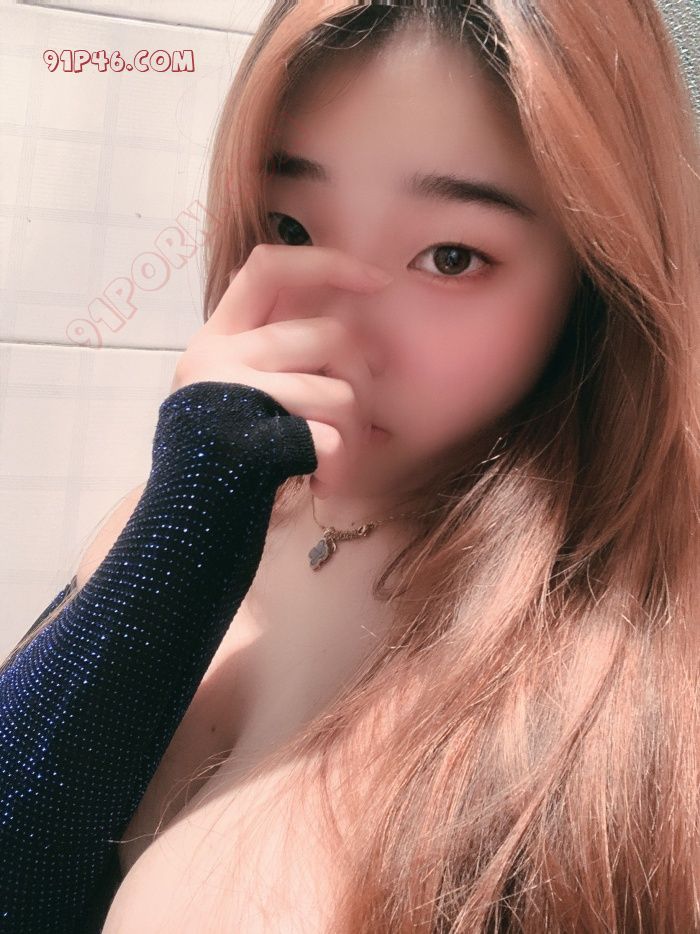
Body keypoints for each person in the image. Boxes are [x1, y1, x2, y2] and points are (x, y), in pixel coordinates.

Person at [1, 1, 698, 931]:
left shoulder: (626, 680)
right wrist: (185, 521)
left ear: (596, 280)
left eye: (450, 256)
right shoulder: (192, 504)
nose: (333, 335)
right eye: (292, 228)